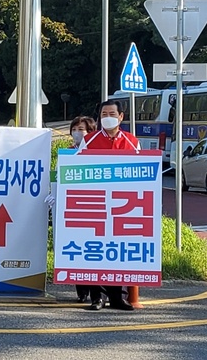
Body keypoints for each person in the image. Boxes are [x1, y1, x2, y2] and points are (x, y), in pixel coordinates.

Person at [78, 99, 140, 311]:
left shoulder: (132, 142)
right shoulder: (90, 140)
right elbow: (79, 169)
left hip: (123, 206)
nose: (108, 117)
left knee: (116, 251)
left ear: (121, 116)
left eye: (112, 113)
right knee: (95, 250)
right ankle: (97, 297)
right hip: (95, 205)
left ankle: (116, 296)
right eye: (104, 114)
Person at [67, 115, 96, 303]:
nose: (77, 133)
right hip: (73, 206)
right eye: (75, 129)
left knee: (92, 251)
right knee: (77, 247)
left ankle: (96, 291)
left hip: (93, 205)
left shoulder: (95, 150)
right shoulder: (68, 152)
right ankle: (81, 291)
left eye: (82, 129)